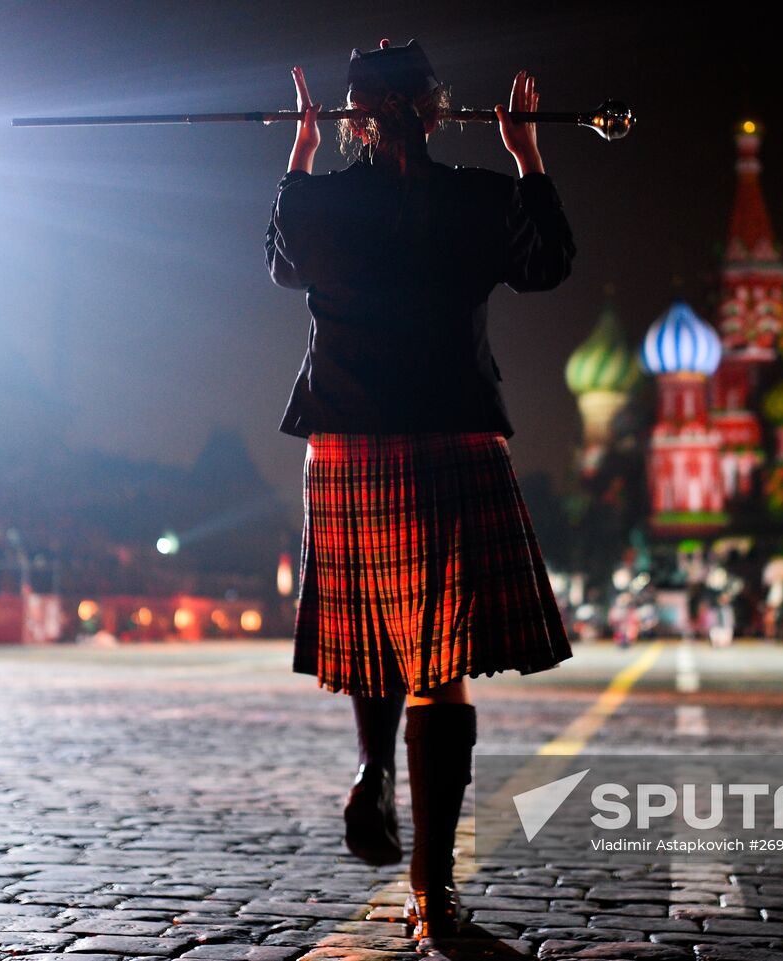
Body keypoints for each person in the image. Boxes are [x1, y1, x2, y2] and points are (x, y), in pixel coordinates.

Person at [265, 40, 575, 944]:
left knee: (372, 637)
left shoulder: (322, 200)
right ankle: (432, 891)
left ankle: (373, 769)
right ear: (438, 112)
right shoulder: (478, 197)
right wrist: (526, 156)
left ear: (353, 117)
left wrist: (300, 157)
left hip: (346, 443)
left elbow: (283, 262)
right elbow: (548, 262)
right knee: (439, 664)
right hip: (449, 438)